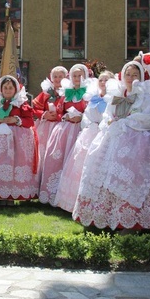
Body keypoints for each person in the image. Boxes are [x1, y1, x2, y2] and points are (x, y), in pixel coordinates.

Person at [73, 60, 150, 230]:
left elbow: (148, 118)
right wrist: (111, 121)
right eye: (128, 74)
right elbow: (107, 115)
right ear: (122, 76)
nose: (131, 78)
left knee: (130, 170)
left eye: (135, 75)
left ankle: (133, 220)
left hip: (136, 139)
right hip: (113, 137)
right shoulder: (117, 95)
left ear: (140, 76)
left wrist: (126, 122)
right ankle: (105, 218)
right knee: (99, 167)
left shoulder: (145, 96)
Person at [55, 70, 113, 213]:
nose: (103, 83)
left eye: (107, 80)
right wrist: (91, 125)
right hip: (90, 133)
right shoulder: (93, 97)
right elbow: (87, 115)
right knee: (79, 167)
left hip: (105, 135)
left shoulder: (114, 99)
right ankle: (72, 201)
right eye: (101, 80)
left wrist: (102, 127)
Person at [0, 74, 38, 203]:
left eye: (10, 88)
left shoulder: (21, 104)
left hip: (17, 141)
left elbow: (30, 121)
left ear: (15, 90)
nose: (7, 90)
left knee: (16, 165)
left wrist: (15, 119)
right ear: (0, 89)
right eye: (5, 88)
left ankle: (14, 194)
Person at [41, 64, 91, 206]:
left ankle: (71, 197)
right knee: (56, 159)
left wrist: (81, 117)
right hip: (64, 130)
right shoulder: (66, 93)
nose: (77, 78)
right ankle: (53, 194)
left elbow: (91, 112)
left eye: (79, 75)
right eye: (74, 75)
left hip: (80, 130)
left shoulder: (89, 93)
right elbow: (59, 111)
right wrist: (65, 117)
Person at [32, 66, 67, 171]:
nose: (57, 79)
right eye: (55, 76)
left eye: (60, 76)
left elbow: (71, 110)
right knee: (42, 152)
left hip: (60, 127)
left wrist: (59, 116)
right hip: (45, 128)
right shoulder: (46, 93)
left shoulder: (69, 93)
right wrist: (44, 114)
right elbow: (34, 109)